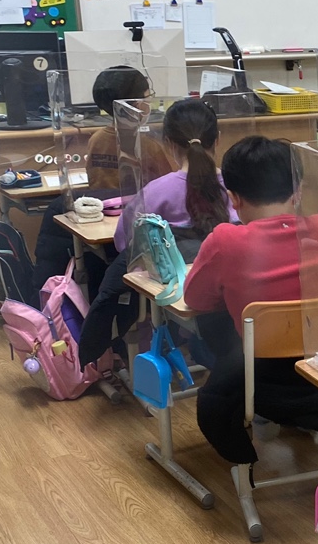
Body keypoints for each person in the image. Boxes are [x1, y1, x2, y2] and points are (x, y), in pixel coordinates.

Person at [183, 136, 318, 470]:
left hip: (265, 382)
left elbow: (195, 299)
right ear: (298, 190)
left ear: (234, 198)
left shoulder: (225, 240)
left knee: (213, 325)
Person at [80, 98, 235, 368]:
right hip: (230, 295)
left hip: (171, 290)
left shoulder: (155, 191)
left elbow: (123, 242)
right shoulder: (238, 188)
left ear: (168, 143)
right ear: (218, 139)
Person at [33, 65, 174, 289]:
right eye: (147, 97)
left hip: (102, 222)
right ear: (135, 104)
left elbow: (94, 180)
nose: (149, 103)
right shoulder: (149, 146)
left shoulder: (97, 139)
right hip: (136, 231)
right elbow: (168, 189)